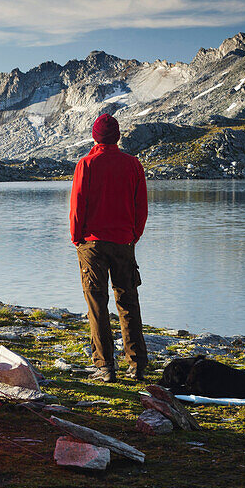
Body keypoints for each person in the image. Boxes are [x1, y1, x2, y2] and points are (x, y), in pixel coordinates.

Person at [69, 113, 148, 383]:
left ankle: (105, 367)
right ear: (117, 137)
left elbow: (78, 206)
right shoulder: (133, 164)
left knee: (97, 304)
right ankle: (137, 364)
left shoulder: (87, 164)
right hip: (124, 242)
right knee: (128, 302)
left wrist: (77, 238)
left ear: (94, 136)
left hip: (92, 244)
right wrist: (133, 235)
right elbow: (141, 207)